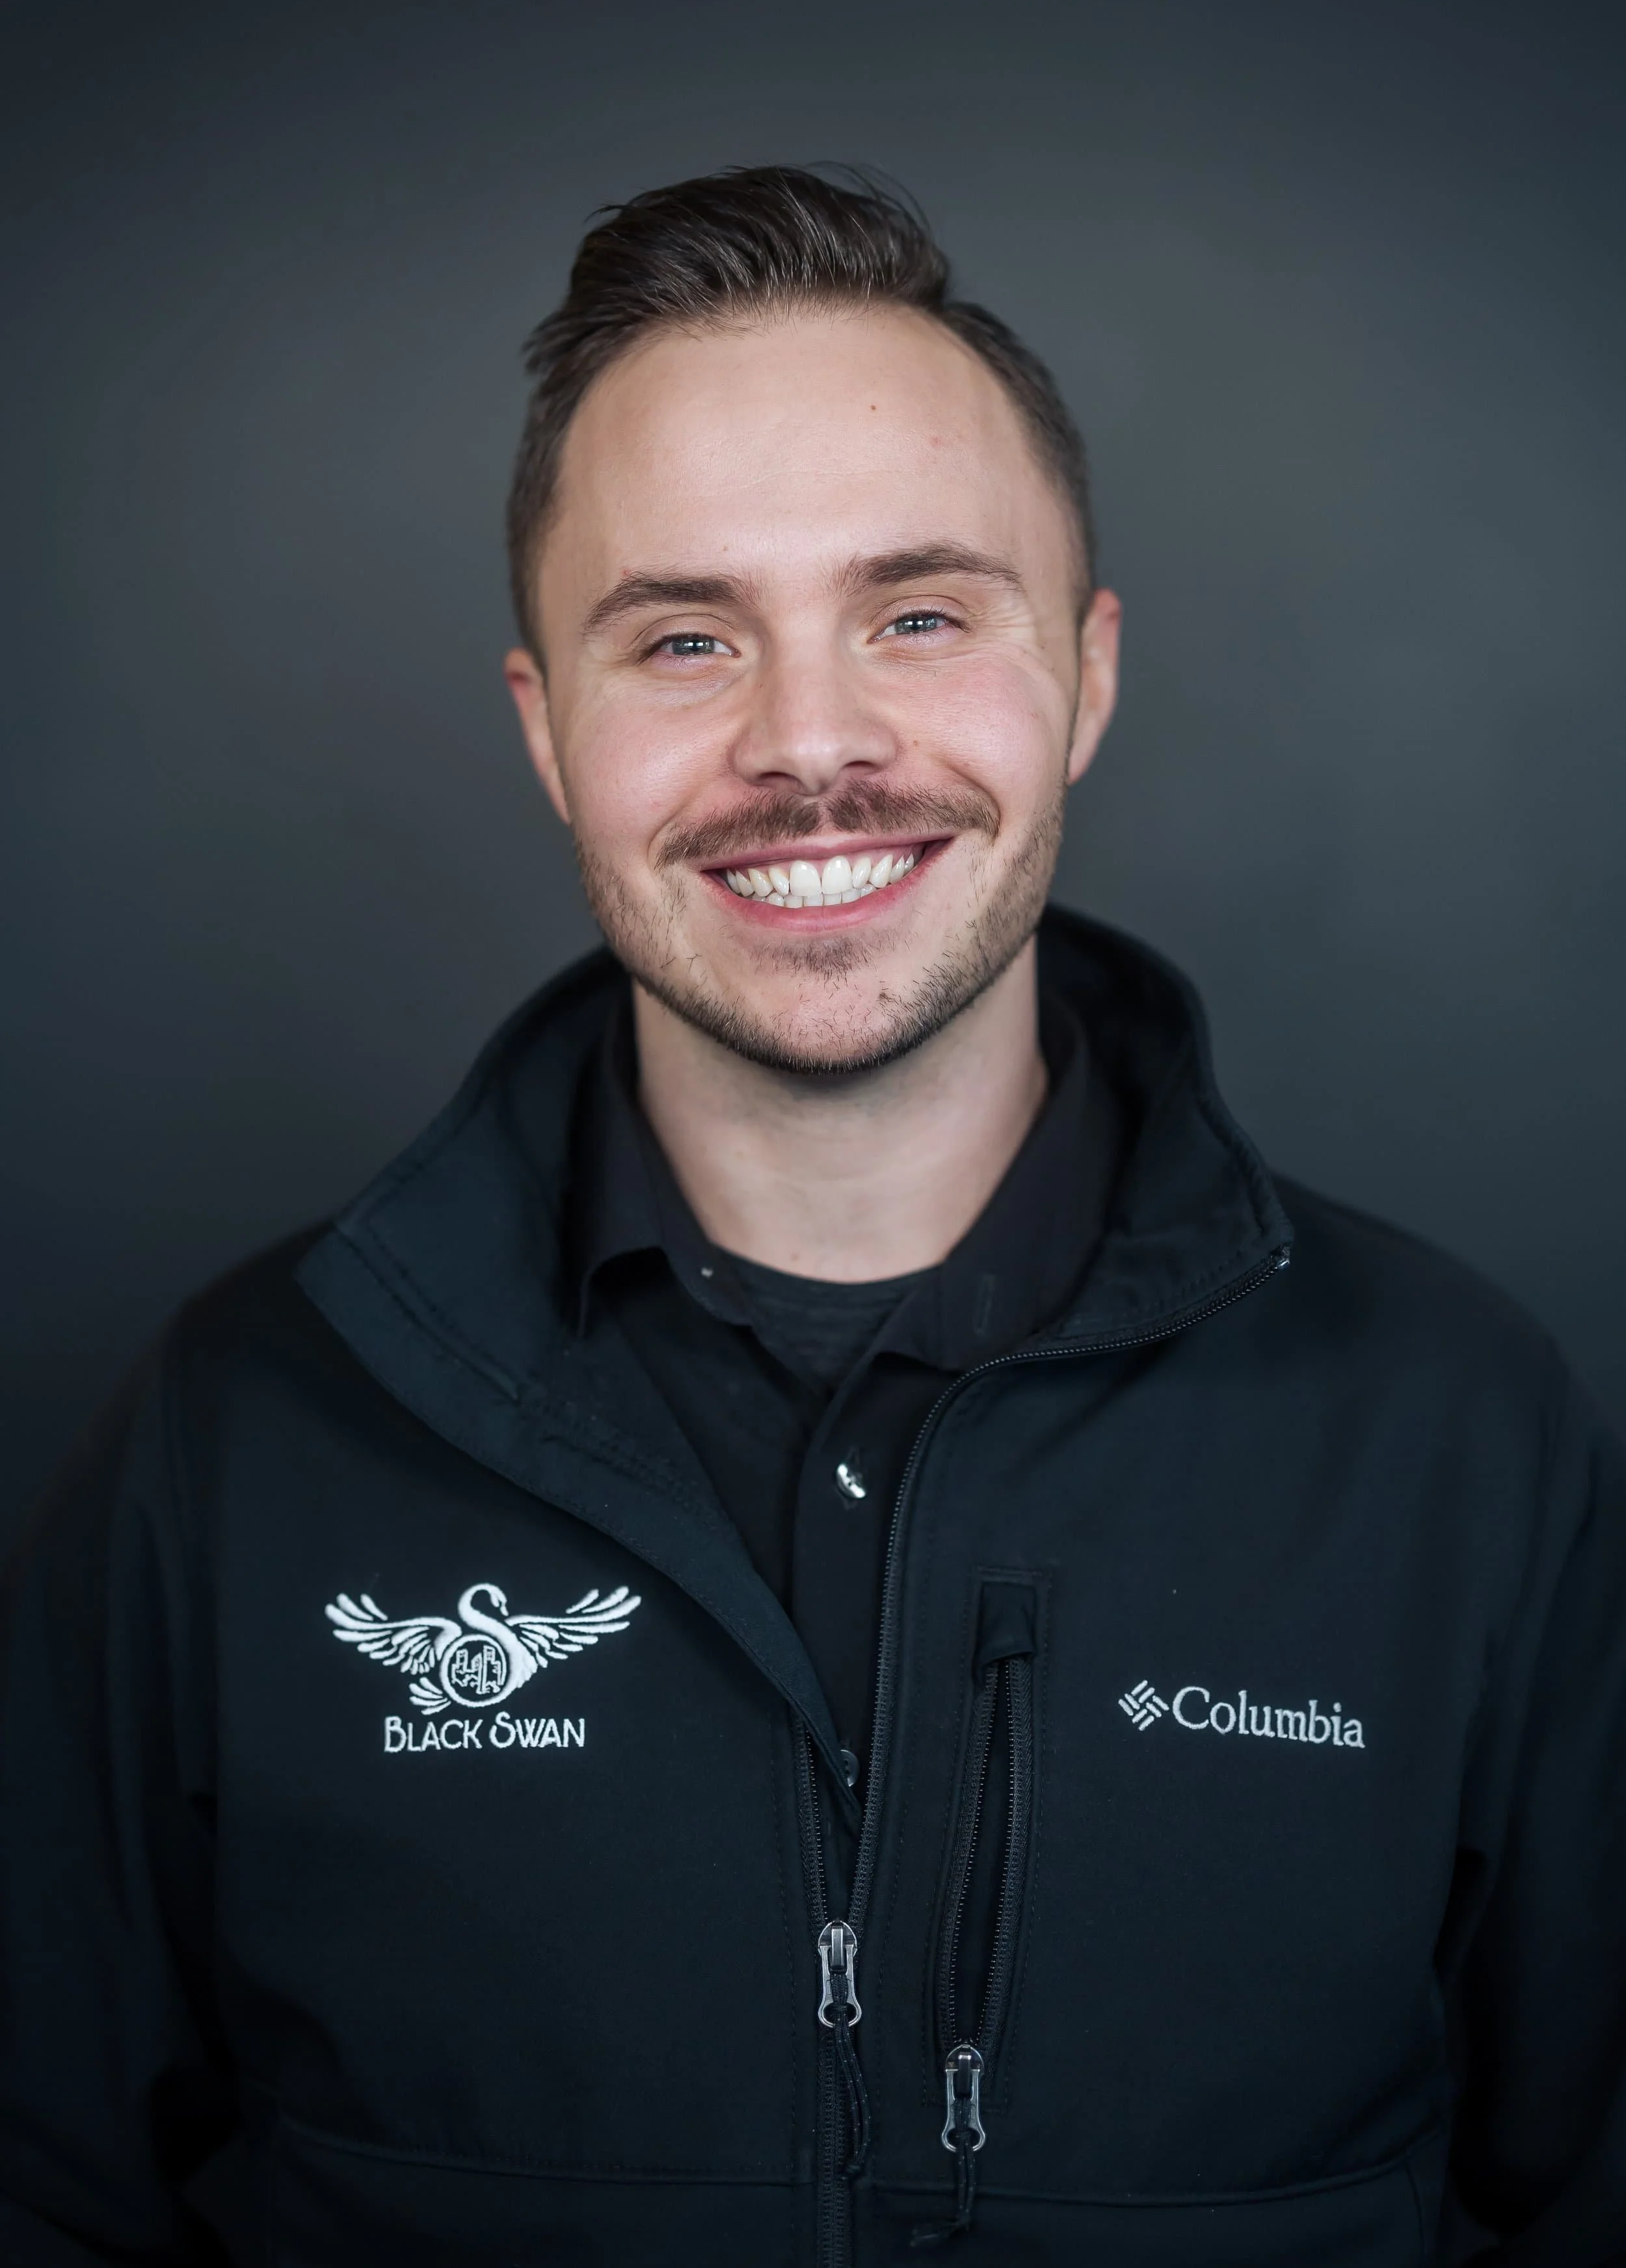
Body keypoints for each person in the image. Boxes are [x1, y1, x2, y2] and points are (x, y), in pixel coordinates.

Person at [1, 166, 1623, 2268]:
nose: (811, 743)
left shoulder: (1454, 1429)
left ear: (1088, 677)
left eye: (919, 613)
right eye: (682, 637)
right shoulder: (241, 1432)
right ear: (543, 730)